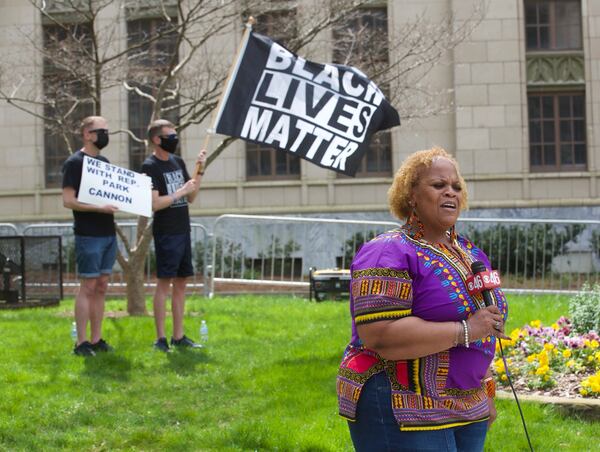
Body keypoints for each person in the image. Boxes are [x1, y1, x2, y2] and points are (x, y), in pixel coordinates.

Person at [336, 147, 509, 451]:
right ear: (411, 194)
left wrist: (487, 392)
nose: (450, 193)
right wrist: (465, 330)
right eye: (438, 185)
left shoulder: (470, 252)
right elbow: (381, 336)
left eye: (456, 187)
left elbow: (488, 327)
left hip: (469, 406)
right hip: (401, 403)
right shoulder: (387, 252)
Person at [141, 119, 207, 353]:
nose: (174, 140)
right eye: (170, 136)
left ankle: (178, 336)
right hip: (166, 232)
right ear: (157, 139)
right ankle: (160, 338)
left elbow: (191, 197)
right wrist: (180, 191)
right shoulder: (150, 167)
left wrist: (200, 170)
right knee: (164, 284)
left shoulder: (177, 162)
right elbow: (155, 203)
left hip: (183, 229)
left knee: (181, 283)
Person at [62, 116, 118, 356]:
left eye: (107, 130)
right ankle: (81, 343)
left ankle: (96, 339)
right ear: (87, 133)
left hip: (108, 233)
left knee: (102, 286)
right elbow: (68, 200)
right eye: (101, 131)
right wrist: (98, 208)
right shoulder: (74, 163)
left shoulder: (103, 162)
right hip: (89, 234)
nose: (105, 135)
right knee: (88, 286)